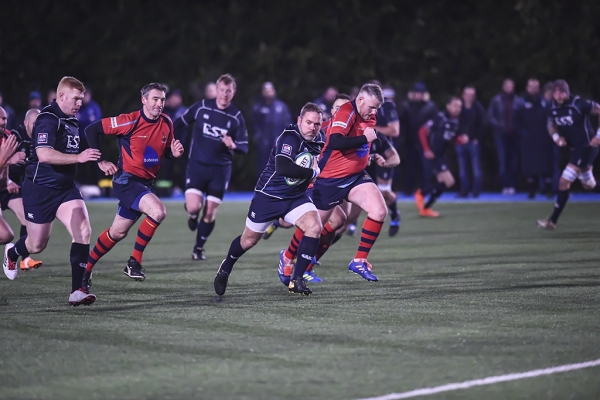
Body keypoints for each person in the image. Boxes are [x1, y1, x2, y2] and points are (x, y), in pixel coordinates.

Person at [2, 76, 101, 306]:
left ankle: (77, 290)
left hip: (65, 189)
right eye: (76, 99)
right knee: (37, 244)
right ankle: (12, 254)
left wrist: (100, 160)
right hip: (40, 189)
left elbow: (81, 150)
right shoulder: (48, 118)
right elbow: (45, 155)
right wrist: (78, 157)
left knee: (83, 230)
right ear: (62, 96)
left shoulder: (73, 121)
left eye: (81, 99)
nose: (79, 103)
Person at [213, 103, 324, 297]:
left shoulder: (318, 139)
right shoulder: (290, 138)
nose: (312, 127)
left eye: (317, 124)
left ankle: (296, 280)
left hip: (295, 197)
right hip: (269, 197)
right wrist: (312, 172)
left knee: (314, 226)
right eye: (308, 122)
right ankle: (226, 267)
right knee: (248, 241)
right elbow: (283, 167)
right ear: (299, 121)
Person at [82, 82, 184, 290]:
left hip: (145, 184)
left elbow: (164, 153)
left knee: (117, 233)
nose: (159, 104)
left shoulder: (167, 122)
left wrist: (173, 154)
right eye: (155, 99)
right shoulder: (129, 121)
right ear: (144, 100)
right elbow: (91, 129)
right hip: (126, 181)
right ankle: (134, 262)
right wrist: (99, 161)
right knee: (158, 211)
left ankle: (85, 270)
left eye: (162, 99)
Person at [304, 83, 386, 281]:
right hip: (330, 178)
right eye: (372, 107)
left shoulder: (368, 116)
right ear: (359, 100)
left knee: (378, 211)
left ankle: (359, 261)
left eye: (377, 108)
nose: (374, 112)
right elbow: (336, 143)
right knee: (312, 226)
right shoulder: (345, 113)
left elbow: (368, 140)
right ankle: (290, 260)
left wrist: (371, 153)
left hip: (355, 176)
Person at [173, 74, 248, 261]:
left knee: (210, 212)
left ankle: (198, 248)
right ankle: (192, 214)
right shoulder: (201, 107)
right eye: (222, 90)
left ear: (234, 92)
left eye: (228, 91)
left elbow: (245, 147)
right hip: (197, 166)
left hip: (220, 170)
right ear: (216, 89)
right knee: (194, 207)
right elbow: (180, 123)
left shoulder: (236, 117)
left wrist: (233, 145)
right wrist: (169, 139)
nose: (224, 95)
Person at [537, 80, 600, 230]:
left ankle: (552, 221)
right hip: (574, 149)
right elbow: (551, 126)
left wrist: (599, 135)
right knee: (589, 185)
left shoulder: (578, 103)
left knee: (563, 182)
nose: (558, 96)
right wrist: (557, 138)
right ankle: (552, 221)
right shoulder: (552, 107)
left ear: (567, 92)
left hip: (586, 147)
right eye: (556, 93)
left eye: (561, 92)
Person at [3, 108, 43, 272]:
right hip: (5, 184)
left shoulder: (42, 140)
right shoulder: (13, 138)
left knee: (28, 221)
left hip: (13, 189)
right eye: (34, 124)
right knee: (4, 235)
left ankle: (25, 259)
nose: (38, 128)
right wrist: (9, 179)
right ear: (25, 123)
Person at [414, 96, 466, 217]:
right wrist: (426, 149)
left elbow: (452, 138)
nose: (458, 109)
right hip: (433, 154)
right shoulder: (440, 118)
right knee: (449, 181)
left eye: (459, 106)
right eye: (455, 106)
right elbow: (422, 131)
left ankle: (425, 208)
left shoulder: (456, 121)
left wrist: (460, 140)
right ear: (448, 107)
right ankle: (421, 193)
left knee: (444, 183)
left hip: (441, 155)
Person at [515, 79, 556, 198]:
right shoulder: (521, 103)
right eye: (531, 86)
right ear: (527, 87)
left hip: (543, 139)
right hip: (528, 140)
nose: (534, 89)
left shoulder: (544, 103)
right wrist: (523, 133)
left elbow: (551, 118)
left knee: (545, 165)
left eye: (536, 86)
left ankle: (548, 190)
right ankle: (531, 191)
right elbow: (517, 121)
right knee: (529, 166)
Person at [400, 82, 438, 196]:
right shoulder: (406, 106)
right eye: (417, 93)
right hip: (410, 141)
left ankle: (426, 190)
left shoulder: (431, 107)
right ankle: (408, 190)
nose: (419, 95)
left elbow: (435, 123)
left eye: (421, 93)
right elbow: (402, 123)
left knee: (426, 168)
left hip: (425, 142)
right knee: (410, 167)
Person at [488, 78, 523, 194]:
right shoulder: (496, 100)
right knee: (503, 162)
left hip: (514, 135)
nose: (509, 88)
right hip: (501, 136)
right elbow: (490, 117)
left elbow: (522, 117)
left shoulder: (518, 101)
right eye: (507, 86)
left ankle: (512, 185)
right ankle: (505, 185)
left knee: (513, 162)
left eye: (511, 86)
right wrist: (499, 125)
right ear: (503, 87)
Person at [252, 82, 292, 178]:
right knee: (263, 164)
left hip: (279, 141)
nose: (268, 93)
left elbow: (287, 123)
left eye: (270, 90)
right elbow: (254, 123)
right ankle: (263, 186)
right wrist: (258, 137)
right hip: (264, 143)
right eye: (266, 90)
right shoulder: (258, 107)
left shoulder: (281, 106)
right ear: (263, 92)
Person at [455, 86, 487, 198]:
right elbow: (455, 124)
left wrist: (474, 138)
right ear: (463, 95)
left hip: (473, 142)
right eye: (468, 95)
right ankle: (464, 190)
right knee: (462, 168)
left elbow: (482, 125)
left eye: (472, 95)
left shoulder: (478, 109)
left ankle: (476, 191)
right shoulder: (459, 108)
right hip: (460, 142)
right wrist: (459, 137)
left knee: (476, 167)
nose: (470, 97)